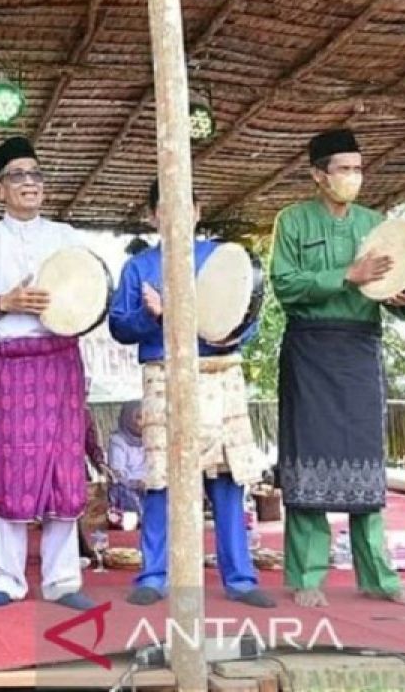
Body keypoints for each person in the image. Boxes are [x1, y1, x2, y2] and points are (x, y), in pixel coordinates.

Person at [270, 127, 405, 608]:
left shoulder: (376, 223)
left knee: (367, 464)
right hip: (310, 350)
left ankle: (378, 577)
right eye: (344, 169)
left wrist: (401, 298)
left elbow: (390, 288)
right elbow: (285, 286)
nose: (354, 176)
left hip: (360, 349)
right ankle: (307, 577)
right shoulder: (291, 222)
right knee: (308, 464)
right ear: (319, 174)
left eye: (358, 168)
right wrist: (345, 276)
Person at [109, 180, 274, 608]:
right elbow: (120, 327)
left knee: (226, 479)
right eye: (166, 207)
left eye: (186, 205)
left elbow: (248, 323)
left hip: (217, 374)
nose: (177, 214)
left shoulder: (223, 259)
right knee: (161, 479)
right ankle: (155, 573)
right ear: (152, 217)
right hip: (163, 374)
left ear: (198, 211)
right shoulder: (139, 267)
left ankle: (239, 577)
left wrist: (192, 322)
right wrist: (151, 318)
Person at [0, 135, 95, 610]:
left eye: (36, 175)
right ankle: (7, 579)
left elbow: (91, 295)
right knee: (12, 464)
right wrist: (2, 302)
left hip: (60, 362)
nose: (29, 183)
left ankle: (62, 581)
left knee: (63, 463)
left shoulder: (66, 237)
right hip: (8, 363)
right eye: (17, 176)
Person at [106, 401, 146, 520]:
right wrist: (137, 483)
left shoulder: (152, 438)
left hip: (149, 489)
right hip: (128, 490)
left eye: (145, 417)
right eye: (138, 417)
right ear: (127, 418)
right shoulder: (118, 441)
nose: (142, 423)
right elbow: (117, 473)